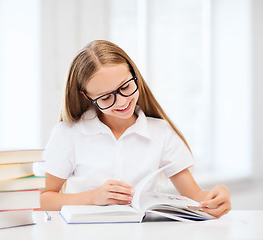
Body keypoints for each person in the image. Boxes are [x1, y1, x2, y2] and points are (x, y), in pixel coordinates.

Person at [40, 40, 231, 218]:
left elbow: (195, 195)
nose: (122, 102)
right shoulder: (68, 133)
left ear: (135, 75)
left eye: (125, 87)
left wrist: (216, 197)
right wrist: (93, 197)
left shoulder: (161, 132)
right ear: (86, 96)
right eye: (106, 98)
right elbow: (42, 199)